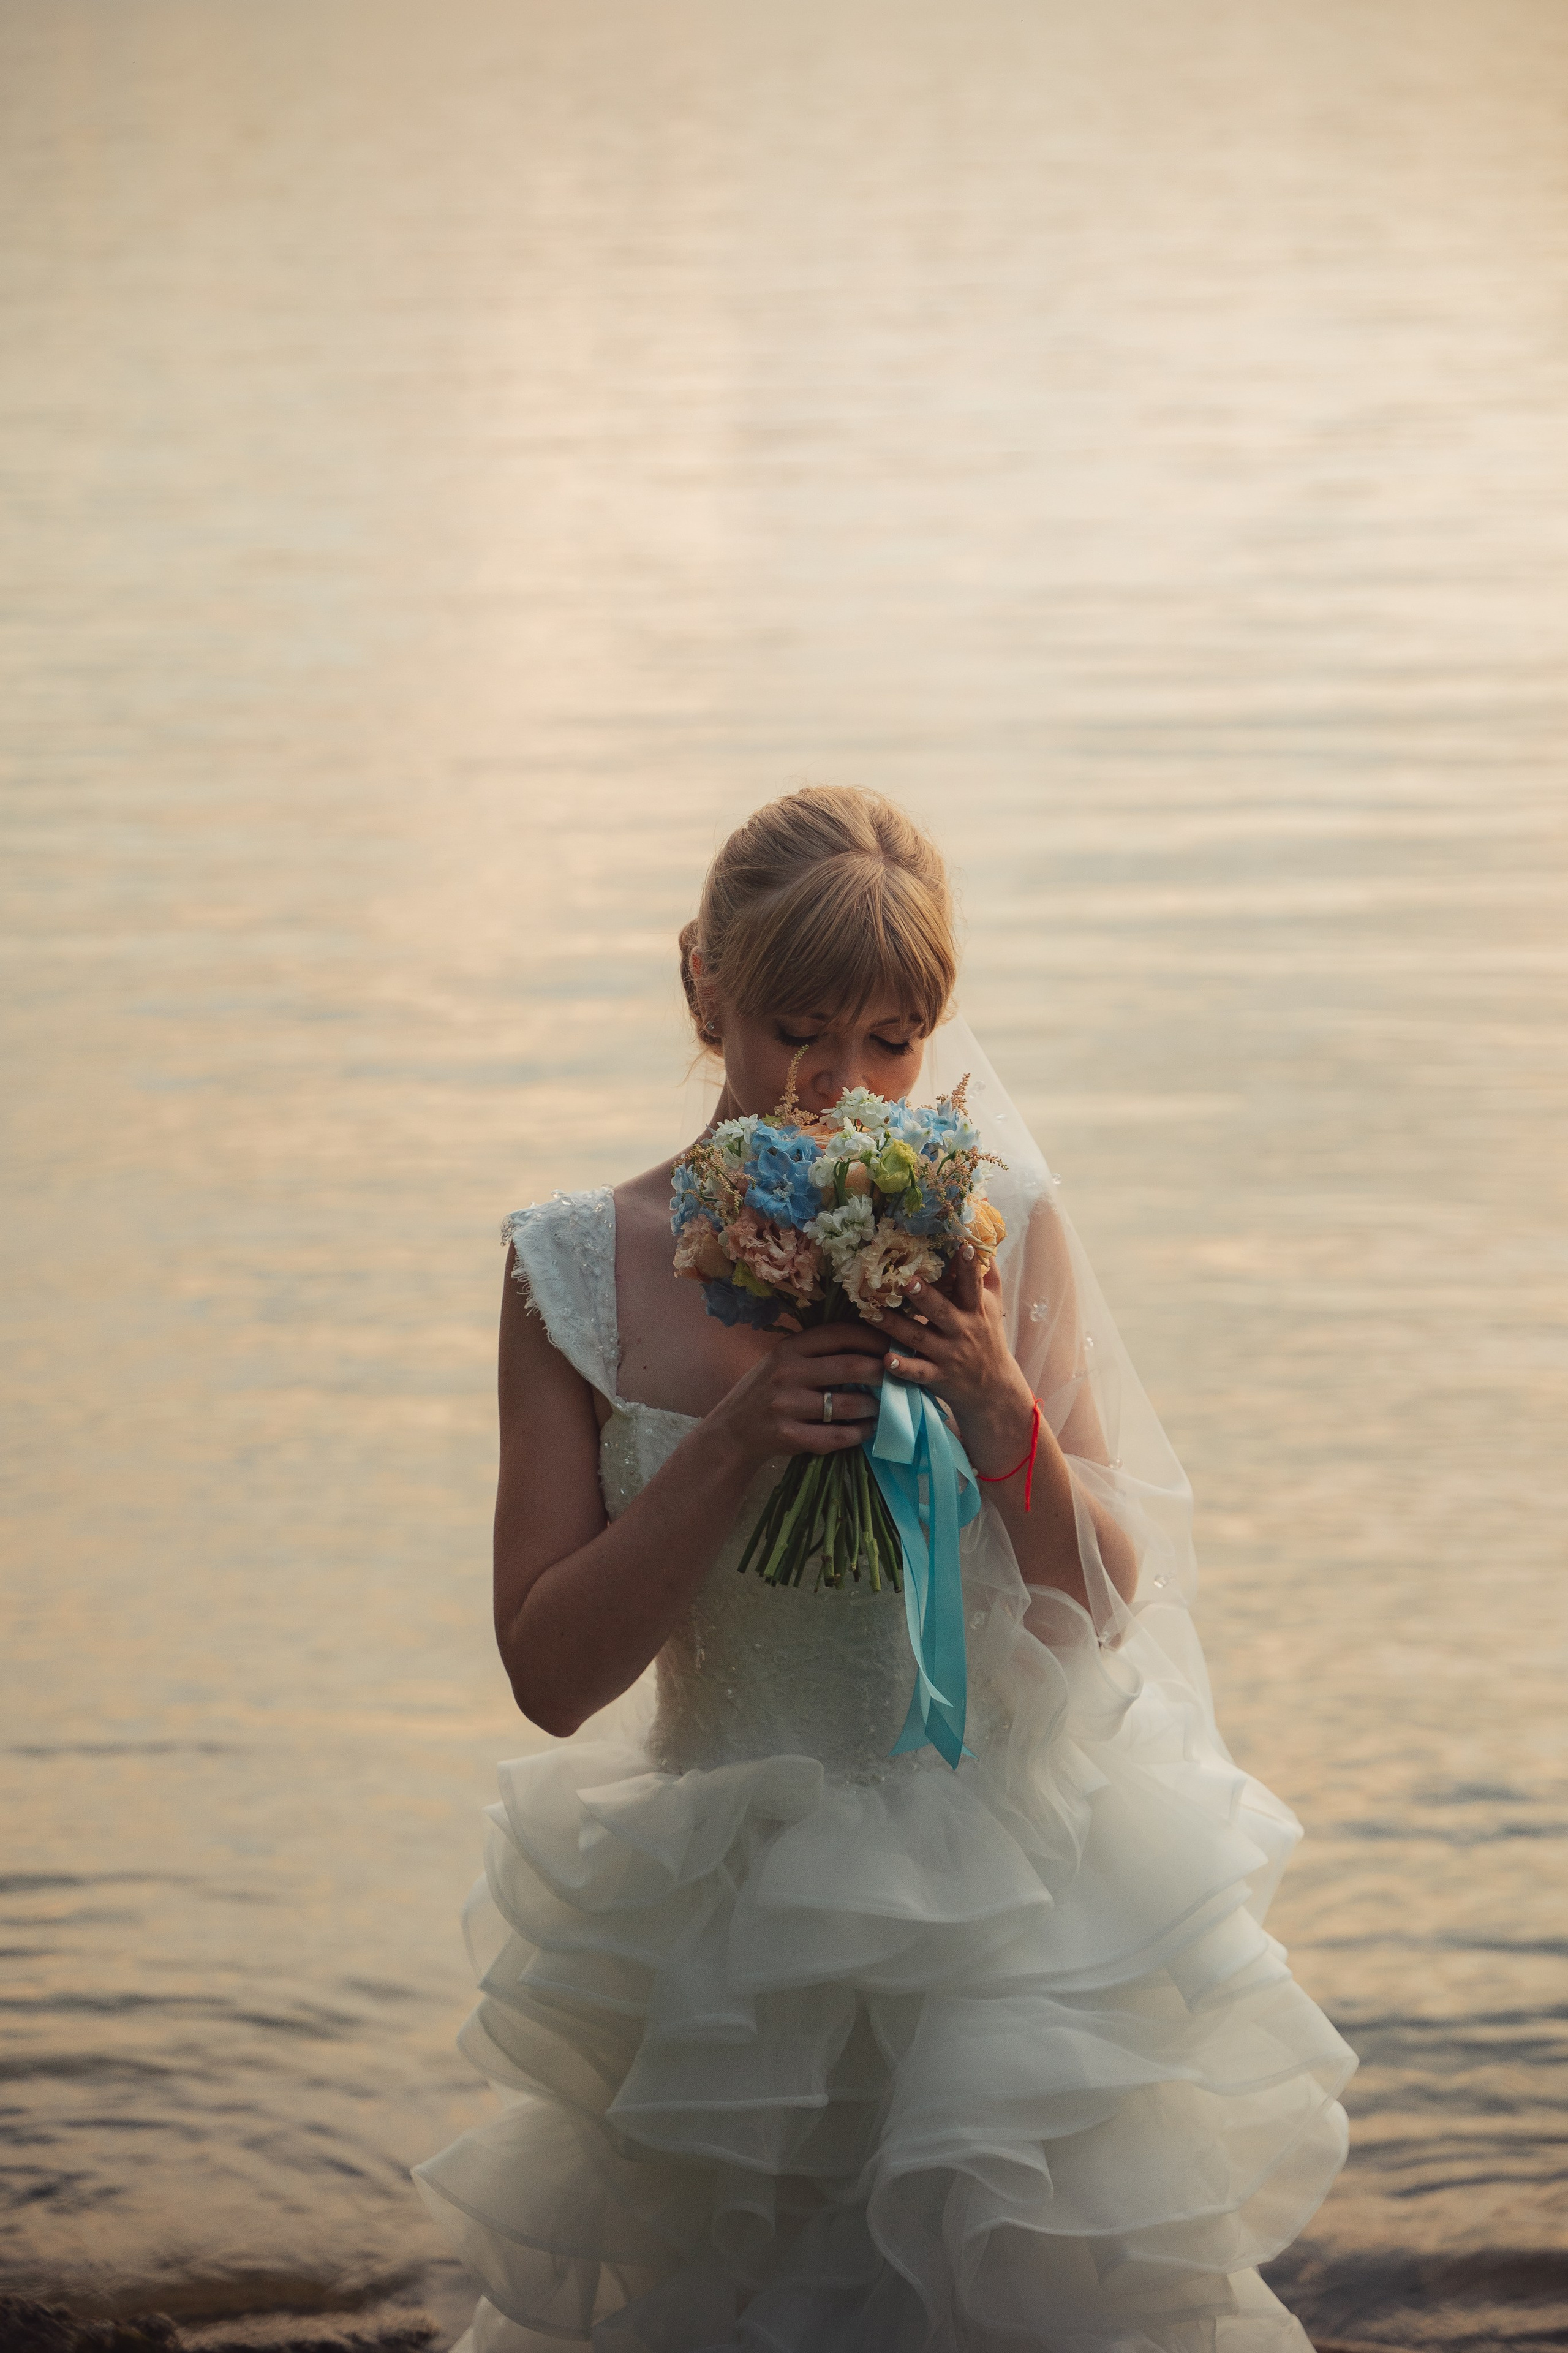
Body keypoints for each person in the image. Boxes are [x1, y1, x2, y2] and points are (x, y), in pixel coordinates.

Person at [414, 786, 1353, 2352]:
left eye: (893, 1040)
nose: (839, 1087)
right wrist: (733, 1442)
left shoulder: (995, 1224)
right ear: (701, 988)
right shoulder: (566, 1270)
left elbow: (1104, 1609)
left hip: (999, 1906)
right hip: (717, 1921)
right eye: (795, 1028)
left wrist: (996, 1405)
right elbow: (551, 1674)